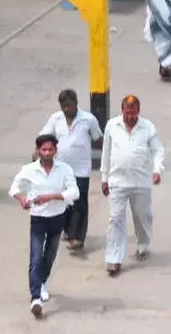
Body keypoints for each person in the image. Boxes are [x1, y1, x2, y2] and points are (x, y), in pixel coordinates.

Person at [10, 133, 80, 318]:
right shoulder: (29, 170)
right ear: (38, 151)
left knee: (49, 256)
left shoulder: (64, 169)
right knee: (35, 257)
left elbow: (74, 192)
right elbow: (14, 188)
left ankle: (42, 282)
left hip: (57, 218)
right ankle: (35, 299)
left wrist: (52, 196)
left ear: (56, 151)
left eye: (50, 149)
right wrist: (22, 199)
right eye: (44, 149)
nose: (47, 153)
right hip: (38, 219)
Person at [100, 95, 165, 276]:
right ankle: (114, 259)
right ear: (122, 111)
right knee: (115, 219)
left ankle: (143, 245)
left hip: (141, 182)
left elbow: (158, 150)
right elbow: (106, 152)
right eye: (127, 113)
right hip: (117, 182)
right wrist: (104, 178)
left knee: (142, 216)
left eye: (133, 113)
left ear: (138, 111)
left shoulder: (147, 127)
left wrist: (157, 170)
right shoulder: (112, 126)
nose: (130, 117)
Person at [38, 89, 102, 252]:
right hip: (60, 169)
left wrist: (109, 156)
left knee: (79, 203)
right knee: (64, 202)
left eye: (70, 105)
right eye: (64, 106)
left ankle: (77, 238)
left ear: (76, 103)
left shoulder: (88, 119)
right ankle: (68, 231)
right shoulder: (55, 119)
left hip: (81, 170)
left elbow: (98, 139)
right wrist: (37, 152)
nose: (67, 109)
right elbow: (44, 137)